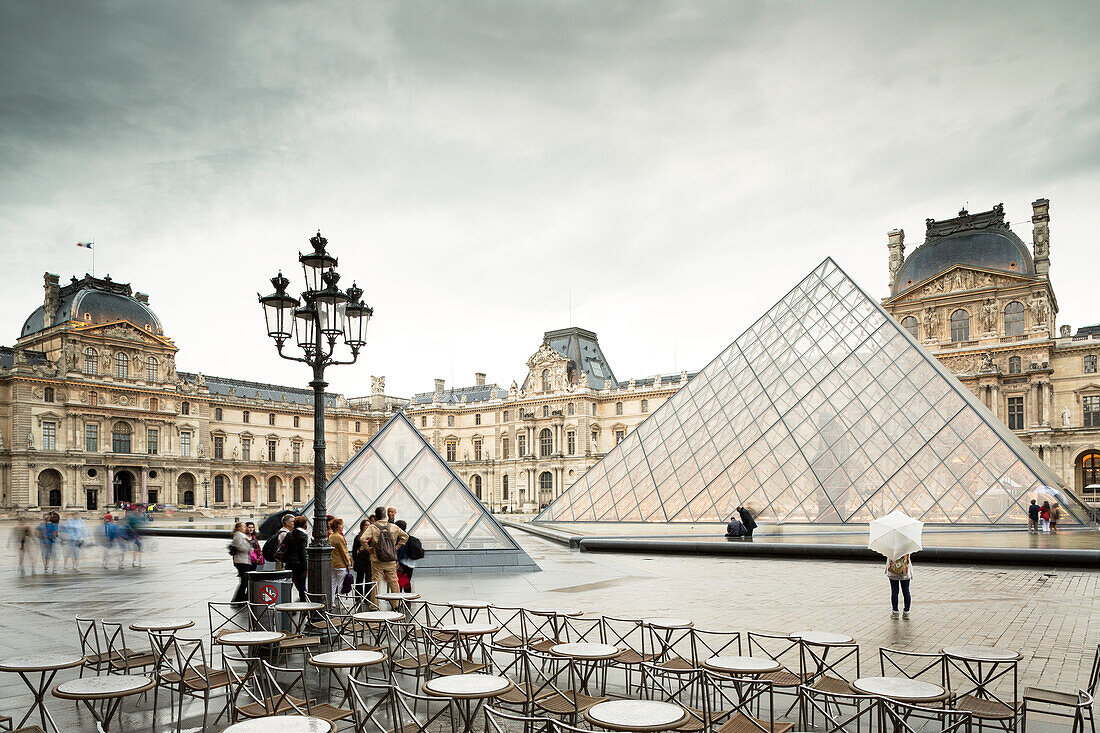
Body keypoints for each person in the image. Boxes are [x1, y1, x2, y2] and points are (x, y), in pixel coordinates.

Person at [366, 505, 408, 607]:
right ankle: (396, 603)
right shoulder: (393, 527)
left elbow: (362, 539)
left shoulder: (373, 527)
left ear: (376, 516)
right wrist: (396, 547)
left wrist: (368, 548)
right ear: (385, 515)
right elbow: (405, 536)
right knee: (394, 582)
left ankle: (374, 605)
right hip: (390, 558)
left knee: (376, 582)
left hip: (377, 559)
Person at [284, 516, 310, 602]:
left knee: (288, 585)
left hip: (289, 563)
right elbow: (303, 553)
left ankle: (287, 603)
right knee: (301, 585)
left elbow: (286, 548)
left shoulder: (289, 534)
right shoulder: (303, 535)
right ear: (303, 525)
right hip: (299, 564)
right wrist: (305, 568)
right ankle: (303, 604)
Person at [229, 522, 253, 605]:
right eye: (244, 526)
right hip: (242, 561)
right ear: (239, 528)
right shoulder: (239, 536)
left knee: (244, 580)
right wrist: (250, 547)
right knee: (244, 581)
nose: (245, 528)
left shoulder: (240, 535)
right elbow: (242, 547)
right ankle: (238, 599)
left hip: (244, 560)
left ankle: (241, 598)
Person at [330, 518, 352, 600]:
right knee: (341, 584)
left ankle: (331, 601)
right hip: (341, 564)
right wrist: (348, 563)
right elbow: (344, 551)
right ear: (337, 526)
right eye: (341, 524)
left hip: (332, 563)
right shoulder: (339, 537)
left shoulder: (331, 536)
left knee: (333, 584)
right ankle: (341, 602)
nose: (342, 526)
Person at [886, 553, 912, 619]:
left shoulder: (890, 546)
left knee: (894, 591)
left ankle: (895, 612)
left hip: (893, 571)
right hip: (905, 571)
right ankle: (906, 612)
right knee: (906, 591)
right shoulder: (907, 545)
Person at [352, 518, 374, 596]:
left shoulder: (372, 537)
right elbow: (354, 550)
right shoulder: (358, 537)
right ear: (362, 526)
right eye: (365, 525)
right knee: (359, 580)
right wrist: (355, 560)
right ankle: (358, 596)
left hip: (369, 561)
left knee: (369, 580)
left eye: (369, 525)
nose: (367, 527)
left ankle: (367, 597)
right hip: (360, 561)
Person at [395, 519, 417, 592]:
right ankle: (408, 598)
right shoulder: (409, 537)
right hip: (411, 563)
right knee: (407, 581)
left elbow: (400, 551)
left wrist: (397, 561)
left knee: (401, 582)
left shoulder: (401, 538)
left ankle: (401, 599)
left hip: (403, 563)